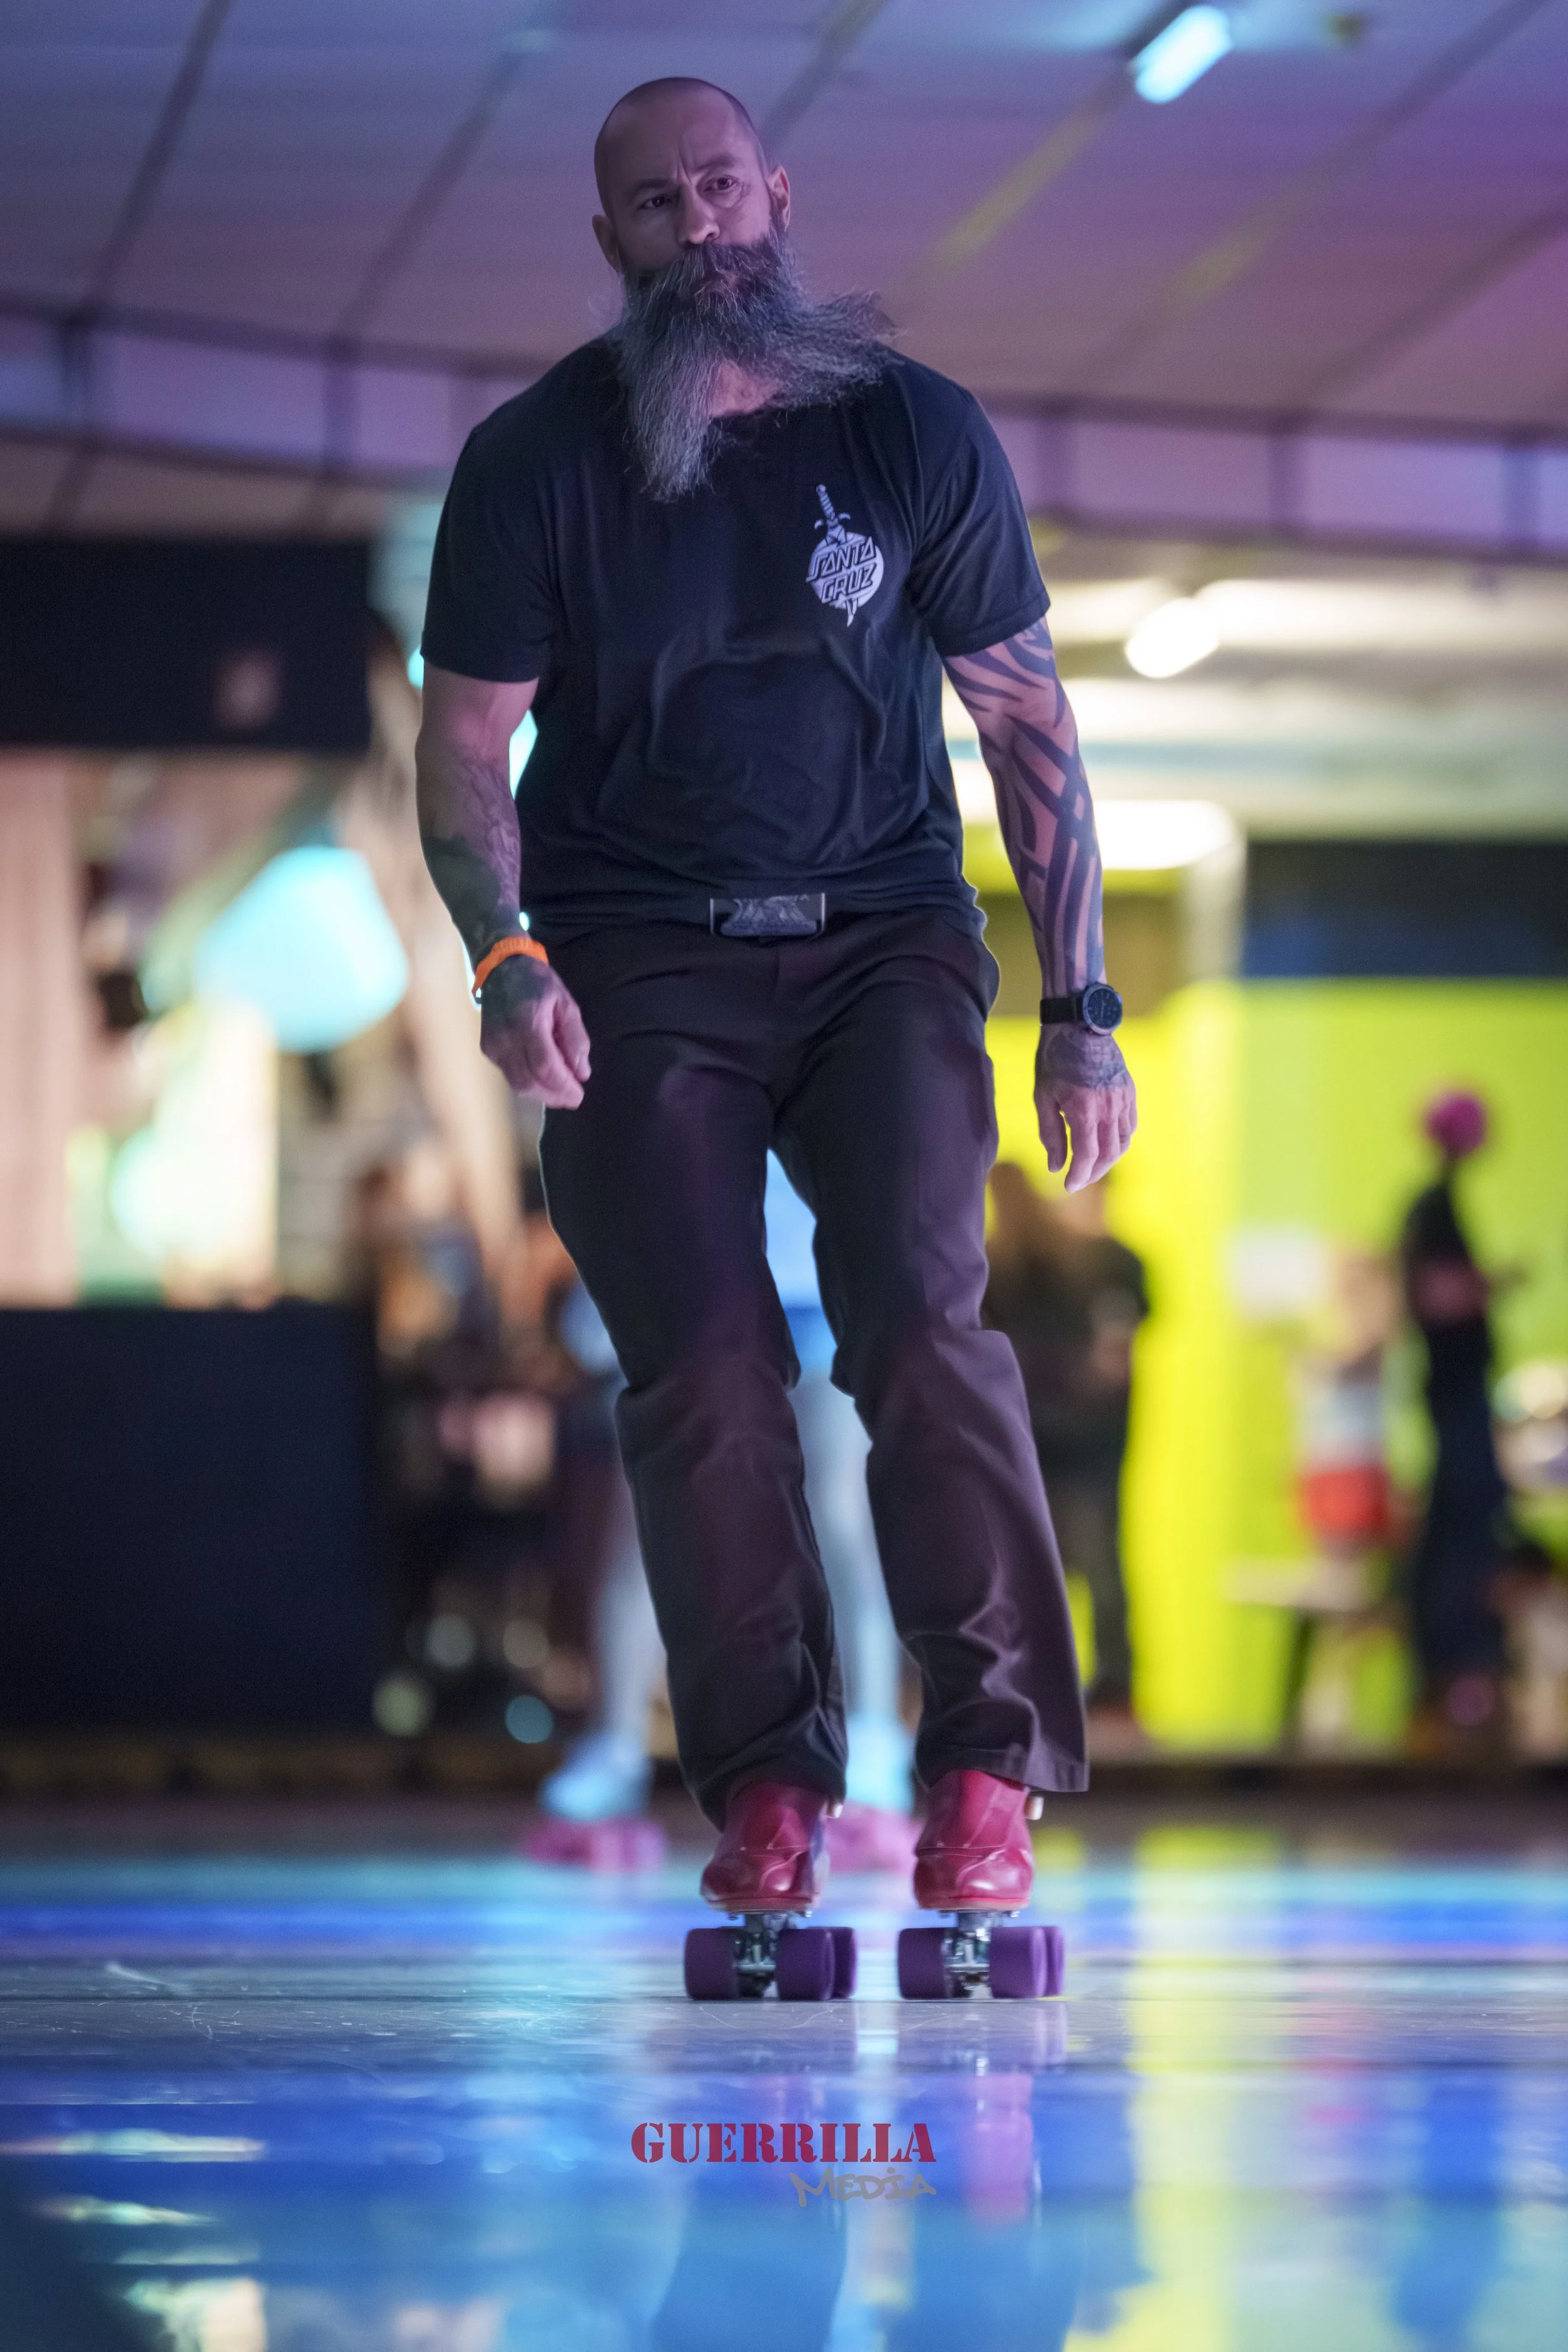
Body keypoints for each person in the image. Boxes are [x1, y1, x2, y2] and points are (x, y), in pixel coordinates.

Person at [414, 77, 1135, 1922]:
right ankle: (768, 1790)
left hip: (881, 936)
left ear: (777, 196)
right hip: (637, 951)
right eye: (657, 204)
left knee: (919, 1317)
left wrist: (1077, 1003)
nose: (700, 226)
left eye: (722, 187)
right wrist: (504, 962)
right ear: (614, 243)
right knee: (707, 1369)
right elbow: (464, 749)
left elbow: (1021, 722)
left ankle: (982, 1770)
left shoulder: (907, 433)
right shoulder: (536, 460)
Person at [983, 1162, 1147, 1744]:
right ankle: (1085, 1689)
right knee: (1073, 1565)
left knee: (1088, 1565)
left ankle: (1106, 1691)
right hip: (1062, 1437)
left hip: (1072, 1441)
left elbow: (1111, 1356)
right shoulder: (1049, 1263)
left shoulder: (1107, 1263)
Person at [1399, 1091, 1511, 1743]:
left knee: (1462, 1526)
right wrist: (1488, 1287)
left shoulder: (1437, 1205)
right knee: (1462, 1529)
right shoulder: (1432, 1208)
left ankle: (1455, 1671)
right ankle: (1451, 1669)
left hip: (1457, 1392)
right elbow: (1433, 1295)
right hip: (1454, 1393)